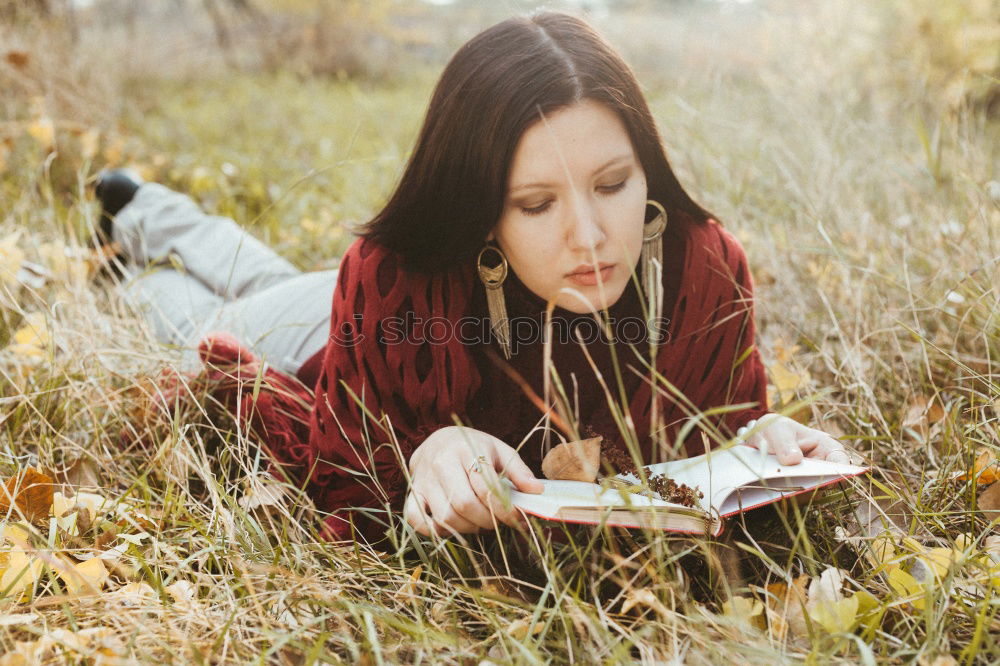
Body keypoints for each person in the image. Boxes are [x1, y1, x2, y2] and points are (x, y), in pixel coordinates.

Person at [97, 11, 849, 545]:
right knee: (193, 320)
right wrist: (419, 454)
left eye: (614, 184)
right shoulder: (395, 277)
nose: (589, 235)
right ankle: (131, 238)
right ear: (482, 211)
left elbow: (713, 436)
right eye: (535, 203)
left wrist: (762, 442)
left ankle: (142, 206)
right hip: (323, 343)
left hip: (336, 306)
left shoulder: (703, 265)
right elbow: (348, 488)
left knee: (261, 273)